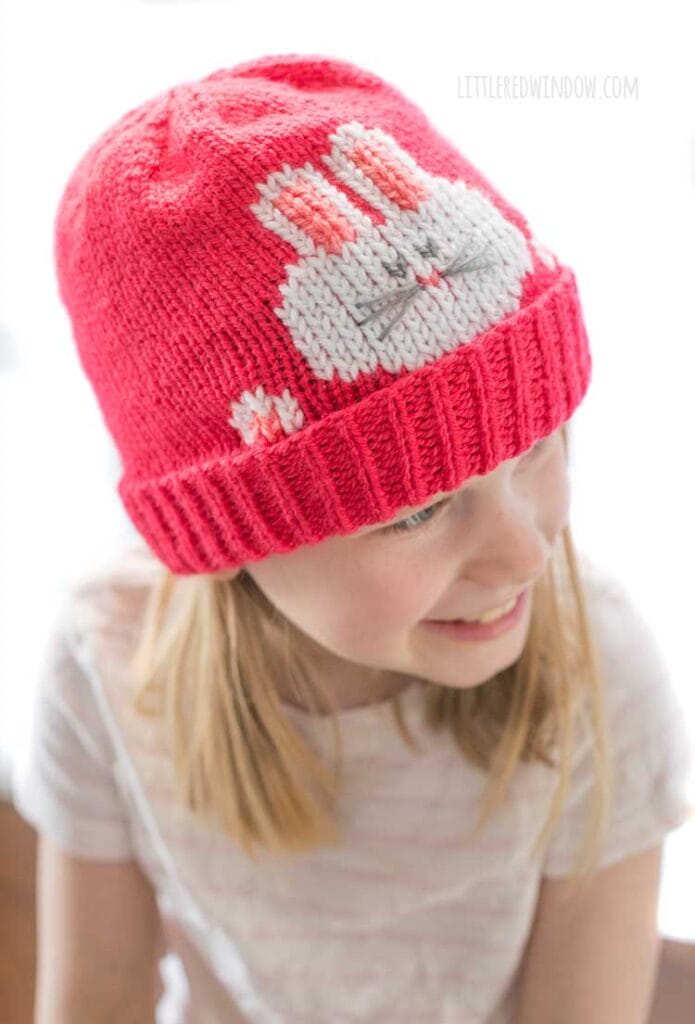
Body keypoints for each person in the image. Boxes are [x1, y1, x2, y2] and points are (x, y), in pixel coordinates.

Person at [11, 53, 694, 1023]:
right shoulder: (106, 660)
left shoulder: (594, 669)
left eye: (536, 445)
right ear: (233, 534)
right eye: (414, 509)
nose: (525, 555)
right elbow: (99, 997)